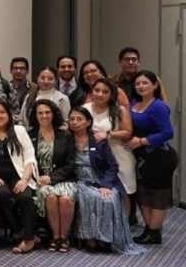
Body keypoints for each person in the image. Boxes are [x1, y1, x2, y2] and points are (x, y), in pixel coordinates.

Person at [68, 107, 146, 255]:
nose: (75, 122)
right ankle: (89, 238)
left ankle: (106, 239)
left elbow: (112, 166)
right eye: (72, 119)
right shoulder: (66, 139)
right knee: (89, 197)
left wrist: (106, 185)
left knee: (109, 198)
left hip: (100, 178)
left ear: (88, 122)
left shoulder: (97, 140)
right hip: (78, 179)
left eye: (79, 119)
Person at [128, 71, 177, 245]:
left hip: (159, 157)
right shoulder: (134, 103)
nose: (140, 86)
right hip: (142, 158)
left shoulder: (158, 106)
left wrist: (142, 141)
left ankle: (154, 232)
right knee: (144, 193)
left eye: (145, 83)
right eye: (137, 84)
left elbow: (168, 133)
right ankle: (149, 229)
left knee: (157, 194)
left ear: (154, 85)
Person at [0, 101, 39, 253]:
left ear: (8, 114)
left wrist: (25, 179)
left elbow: (29, 157)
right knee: (2, 195)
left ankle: (27, 239)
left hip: (18, 174)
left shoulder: (19, 130)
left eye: (2, 112)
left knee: (25, 196)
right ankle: (21, 234)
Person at [27, 99, 77, 252]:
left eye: (47, 112)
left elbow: (71, 164)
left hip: (63, 178)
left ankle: (64, 237)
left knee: (66, 199)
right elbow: (27, 161)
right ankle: (55, 237)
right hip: (39, 181)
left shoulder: (66, 135)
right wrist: (39, 178)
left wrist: (52, 178)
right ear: (35, 116)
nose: (44, 116)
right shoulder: (29, 135)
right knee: (50, 197)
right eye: (40, 113)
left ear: (54, 114)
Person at [84, 78, 136, 216]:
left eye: (105, 91)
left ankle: (124, 225)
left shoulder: (120, 110)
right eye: (97, 90)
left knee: (123, 193)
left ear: (111, 94)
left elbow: (128, 133)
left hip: (119, 154)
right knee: (102, 192)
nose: (100, 94)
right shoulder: (85, 108)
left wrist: (108, 134)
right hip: (96, 157)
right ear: (92, 91)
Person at [8, 57, 36, 125]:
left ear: (27, 71)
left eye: (22, 68)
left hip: (29, 126)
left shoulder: (35, 88)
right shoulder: (5, 87)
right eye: (15, 68)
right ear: (11, 70)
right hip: (9, 125)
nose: (18, 71)